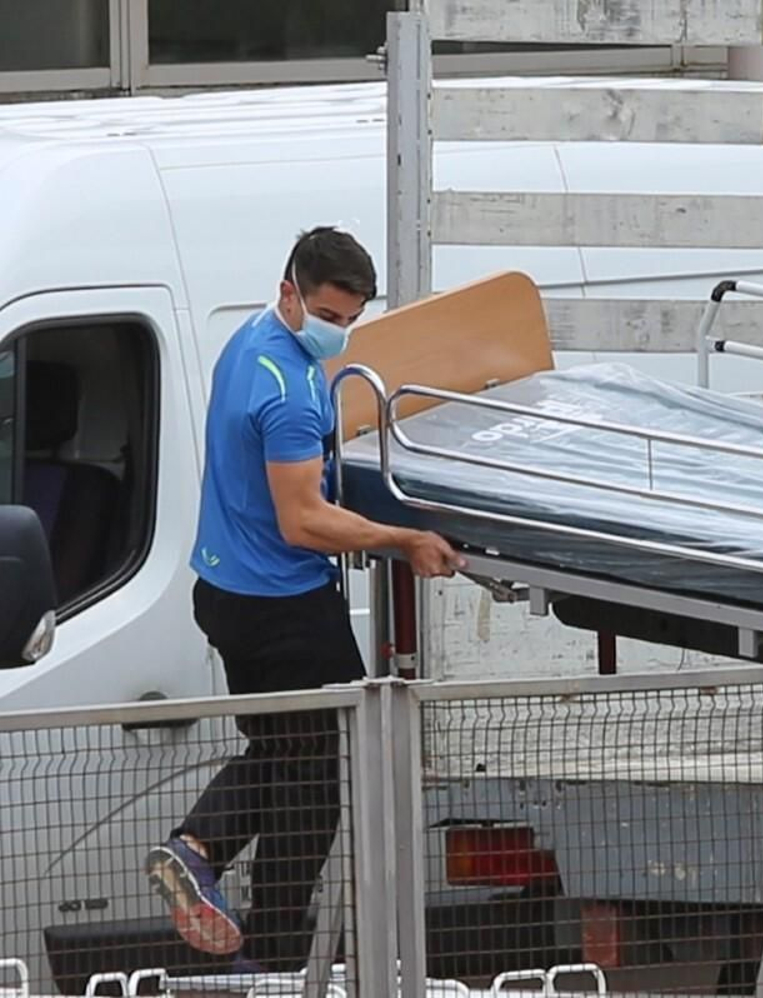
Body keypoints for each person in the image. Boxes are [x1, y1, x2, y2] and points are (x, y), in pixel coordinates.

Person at [143, 227, 464, 972]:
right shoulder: (286, 389)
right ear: (291, 290)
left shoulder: (249, 341)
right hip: (281, 606)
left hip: (229, 590)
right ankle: (198, 848)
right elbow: (304, 519)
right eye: (330, 315)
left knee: (306, 782)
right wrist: (404, 539)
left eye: (351, 320)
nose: (339, 333)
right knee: (307, 754)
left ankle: (267, 949)